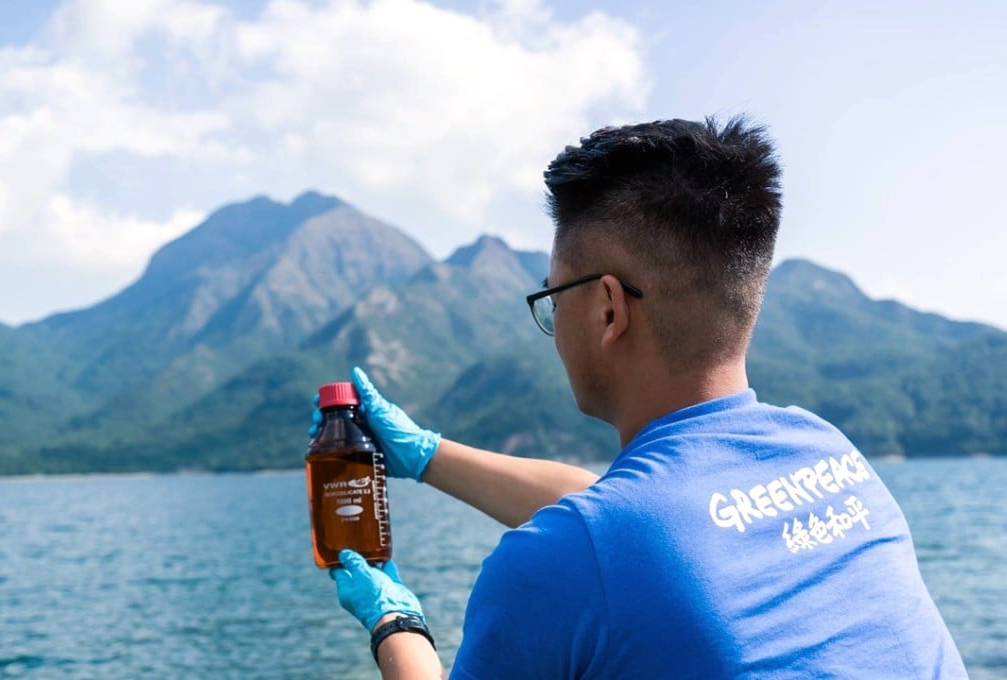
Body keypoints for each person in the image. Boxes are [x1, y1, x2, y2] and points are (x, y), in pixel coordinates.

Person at [321, 117, 968, 679]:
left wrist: (395, 623)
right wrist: (429, 455)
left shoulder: (553, 566)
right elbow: (635, 524)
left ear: (607, 309)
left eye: (552, 297)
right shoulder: (827, 451)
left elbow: (604, 537)